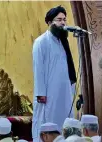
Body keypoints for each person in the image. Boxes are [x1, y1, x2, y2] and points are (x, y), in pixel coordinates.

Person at [32, 5, 76, 142]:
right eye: (59, 20)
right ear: (50, 22)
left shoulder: (63, 42)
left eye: (64, 19)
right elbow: (38, 70)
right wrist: (41, 95)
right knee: (47, 124)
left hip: (64, 94)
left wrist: (71, 88)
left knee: (64, 123)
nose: (63, 23)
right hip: (49, 96)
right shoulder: (41, 42)